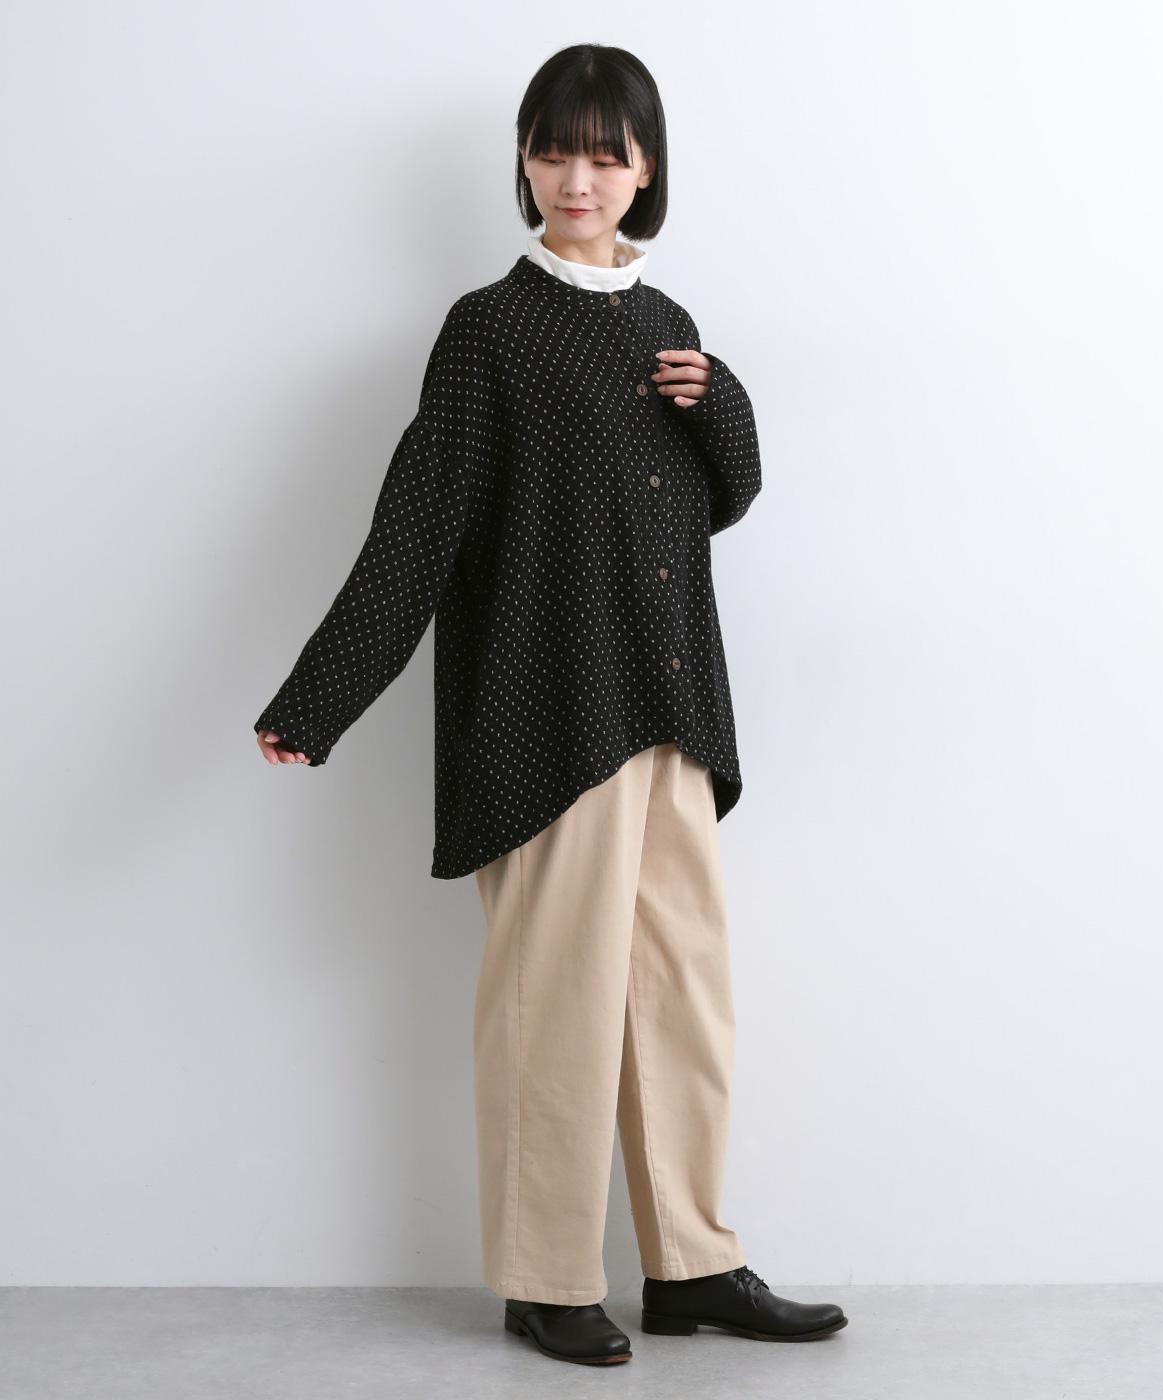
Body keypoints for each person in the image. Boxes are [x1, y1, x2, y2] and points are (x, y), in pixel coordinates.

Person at [252, 43, 848, 1367]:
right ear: (523, 161)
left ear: (646, 169)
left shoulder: (666, 319)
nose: (577, 178)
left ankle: (693, 1264)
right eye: (553, 149)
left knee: (684, 999)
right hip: (547, 716)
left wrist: (725, 407)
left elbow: (710, 505)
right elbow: (421, 524)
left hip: (670, 709)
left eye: (604, 154)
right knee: (555, 1008)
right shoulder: (491, 330)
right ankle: (543, 1278)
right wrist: (322, 694)